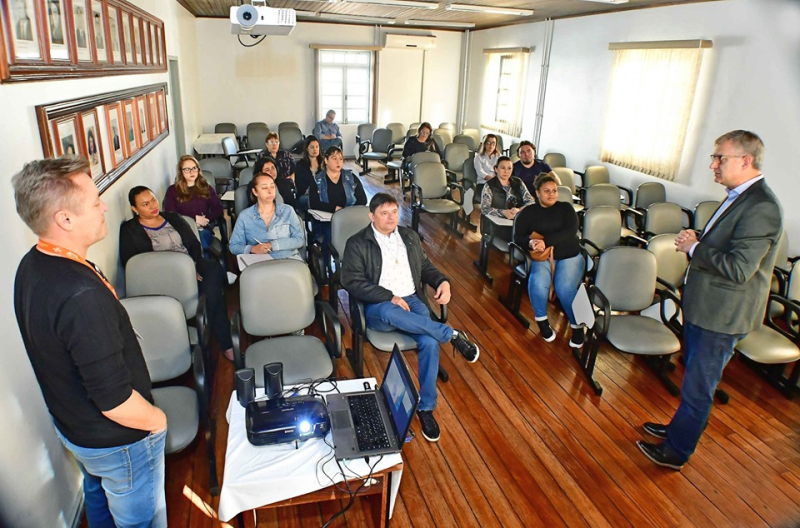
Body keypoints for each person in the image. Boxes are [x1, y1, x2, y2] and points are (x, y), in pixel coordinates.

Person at [13, 158, 167, 527]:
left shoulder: (33, 264)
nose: (102, 205)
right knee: (139, 521)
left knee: (99, 502)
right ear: (64, 219)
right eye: (94, 198)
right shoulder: (80, 294)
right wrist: (157, 420)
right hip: (119, 440)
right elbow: (114, 400)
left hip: (78, 430)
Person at [637, 130, 783, 470]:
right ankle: (676, 429)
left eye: (721, 158)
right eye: (714, 157)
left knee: (699, 388)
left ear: (746, 161)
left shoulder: (762, 207)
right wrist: (698, 238)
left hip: (723, 315)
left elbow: (739, 268)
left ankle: (676, 452)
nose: (713, 164)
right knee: (692, 381)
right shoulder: (738, 196)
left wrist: (695, 249)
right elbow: (728, 245)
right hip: (707, 307)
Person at [341, 193, 480, 442]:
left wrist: (443, 281)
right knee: (388, 311)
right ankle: (450, 334)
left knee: (428, 341)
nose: (390, 217)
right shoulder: (357, 243)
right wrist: (389, 296)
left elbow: (425, 267)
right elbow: (351, 281)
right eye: (384, 213)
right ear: (371, 216)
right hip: (379, 305)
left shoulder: (409, 237)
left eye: (394, 211)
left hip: (413, 299)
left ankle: (426, 408)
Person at [120, 186, 235, 362]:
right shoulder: (130, 229)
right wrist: (180, 274)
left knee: (213, 269)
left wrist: (192, 266)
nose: (152, 205)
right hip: (161, 277)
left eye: (153, 200)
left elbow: (194, 245)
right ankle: (223, 340)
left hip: (189, 263)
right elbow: (134, 263)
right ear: (135, 209)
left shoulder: (173, 218)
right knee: (215, 298)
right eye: (145, 204)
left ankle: (207, 318)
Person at [513, 173, 585, 347]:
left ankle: (577, 326)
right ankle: (542, 321)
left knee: (565, 288)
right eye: (546, 191)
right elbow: (518, 237)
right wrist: (531, 243)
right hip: (543, 257)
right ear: (537, 193)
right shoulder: (528, 212)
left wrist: (545, 242)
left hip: (570, 255)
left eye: (554, 190)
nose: (552, 194)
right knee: (537, 282)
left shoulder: (566, 208)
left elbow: (570, 230)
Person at [229, 172, 305, 260]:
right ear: (255, 192)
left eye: (272, 187)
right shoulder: (245, 216)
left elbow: (299, 239)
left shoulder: (288, 211)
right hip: (260, 262)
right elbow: (234, 246)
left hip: (288, 259)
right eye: (264, 188)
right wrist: (252, 249)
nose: (270, 191)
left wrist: (272, 245)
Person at [162, 155, 224, 258]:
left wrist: (206, 219)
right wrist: (194, 219)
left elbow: (218, 209)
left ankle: (204, 267)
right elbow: (171, 214)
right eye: (187, 169)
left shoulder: (206, 188)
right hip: (181, 229)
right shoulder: (172, 190)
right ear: (181, 172)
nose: (191, 172)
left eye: (194, 168)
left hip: (202, 229)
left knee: (201, 241)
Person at [309, 145, 367, 213]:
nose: (338, 162)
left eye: (340, 159)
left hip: (349, 216)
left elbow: (363, 200)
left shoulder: (350, 177)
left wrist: (349, 211)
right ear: (326, 160)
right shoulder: (317, 180)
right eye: (334, 158)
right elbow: (313, 203)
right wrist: (334, 209)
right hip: (326, 217)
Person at [295, 135, 323, 212]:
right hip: (306, 195)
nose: (315, 149)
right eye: (312, 147)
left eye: (317, 147)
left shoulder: (324, 163)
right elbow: (300, 186)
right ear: (307, 148)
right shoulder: (300, 165)